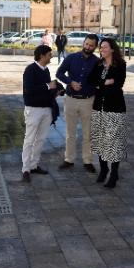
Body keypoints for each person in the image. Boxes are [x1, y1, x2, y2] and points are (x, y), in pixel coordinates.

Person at [56, 33, 99, 172]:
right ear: (83, 43)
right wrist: (70, 82)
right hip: (71, 100)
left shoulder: (98, 62)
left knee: (88, 133)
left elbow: (100, 82)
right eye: (86, 44)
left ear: (94, 47)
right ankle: (69, 159)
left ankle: (87, 161)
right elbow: (59, 73)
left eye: (91, 45)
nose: (87, 47)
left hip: (88, 101)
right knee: (70, 133)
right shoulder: (71, 57)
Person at [88, 38, 127, 188]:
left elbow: (118, 84)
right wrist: (104, 83)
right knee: (100, 141)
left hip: (115, 108)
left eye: (104, 47)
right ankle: (103, 170)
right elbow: (90, 80)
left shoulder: (120, 64)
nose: (101, 50)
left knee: (114, 142)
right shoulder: (98, 64)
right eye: (101, 48)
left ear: (112, 49)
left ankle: (114, 174)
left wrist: (102, 86)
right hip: (99, 107)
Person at [21, 45, 57, 182]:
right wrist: (48, 86)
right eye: (49, 54)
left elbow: (46, 90)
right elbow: (29, 90)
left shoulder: (46, 70)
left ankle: (34, 165)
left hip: (46, 110)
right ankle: (25, 169)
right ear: (42, 56)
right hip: (33, 110)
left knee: (40, 139)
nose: (51, 57)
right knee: (29, 139)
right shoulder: (30, 70)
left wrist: (56, 91)